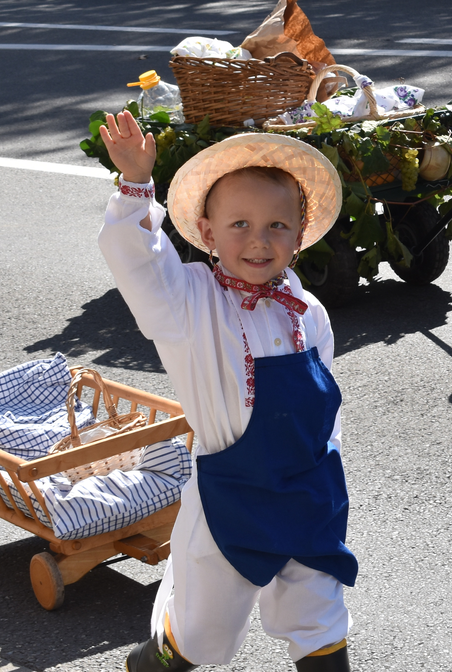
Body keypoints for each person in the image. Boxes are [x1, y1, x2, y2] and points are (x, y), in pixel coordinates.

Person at [96, 119, 356, 672]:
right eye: (240, 224)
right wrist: (136, 183)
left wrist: (328, 462)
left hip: (308, 488)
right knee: (202, 632)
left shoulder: (308, 311)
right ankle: (153, 661)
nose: (259, 240)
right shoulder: (187, 301)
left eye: (277, 225)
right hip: (231, 494)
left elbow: (323, 403)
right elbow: (140, 264)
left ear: (300, 233)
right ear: (207, 231)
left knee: (320, 617)